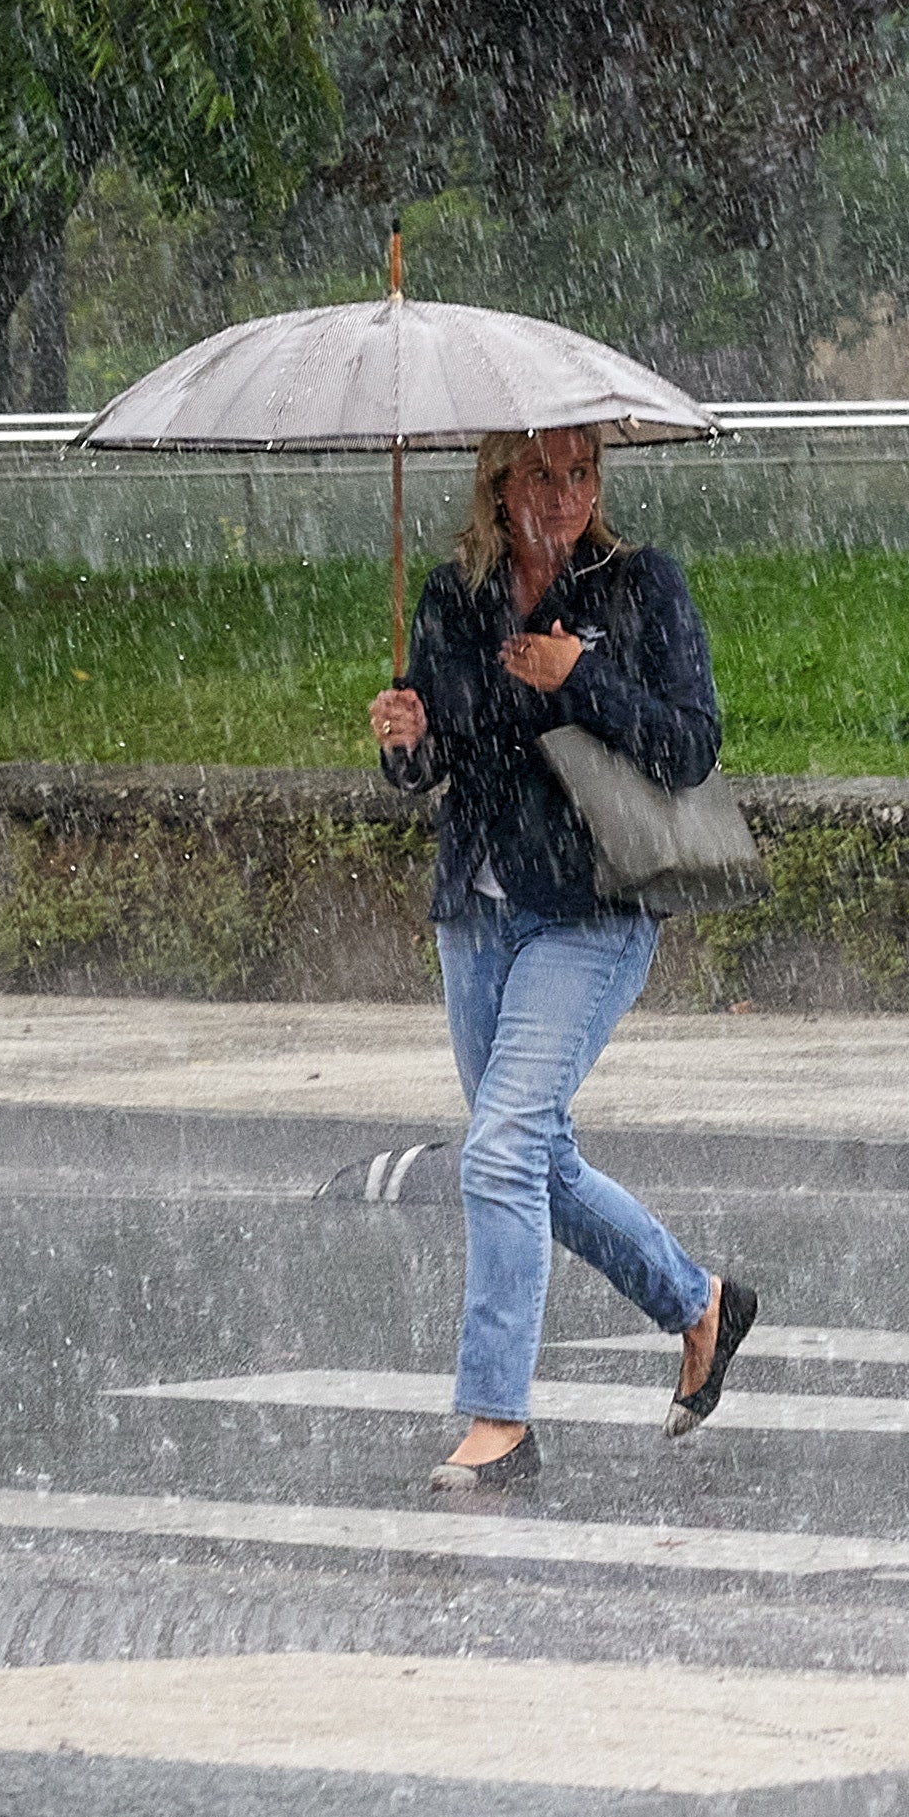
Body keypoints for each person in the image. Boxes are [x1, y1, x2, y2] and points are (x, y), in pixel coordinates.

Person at [369, 424, 758, 1491]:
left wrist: (581, 673)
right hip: (477, 910)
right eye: (540, 471)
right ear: (498, 483)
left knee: (496, 1154)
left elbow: (688, 743)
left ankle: (498, 1415)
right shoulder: (455, 597)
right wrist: (406, 744)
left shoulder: (639, 587)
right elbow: (447, 751)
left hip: (591, 908)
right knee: (531, 1156)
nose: (564, 491)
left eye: (580, 470)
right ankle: (699, 1303)